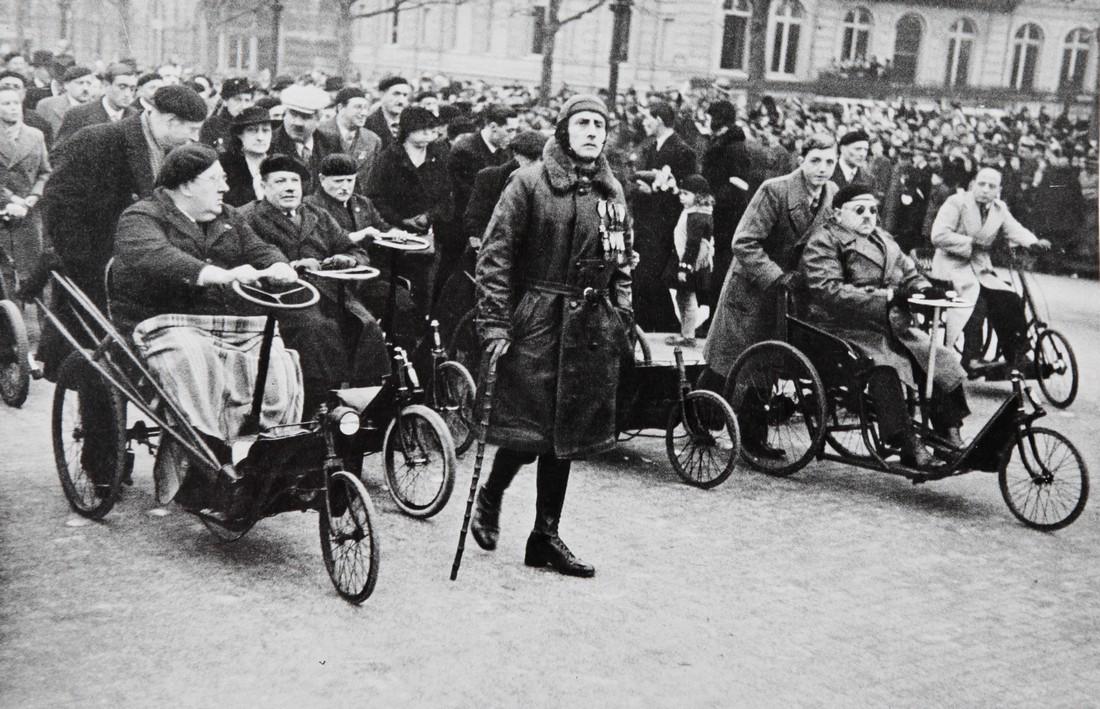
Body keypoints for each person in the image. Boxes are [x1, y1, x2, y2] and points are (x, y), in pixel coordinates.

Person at [470, 94, 633, 578]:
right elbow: (494, 258)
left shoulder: (611, 190)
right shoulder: (527, 182)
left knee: (566, 435)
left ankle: (545, 535)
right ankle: (492, 493)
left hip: (589, 327)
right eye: (582, 123)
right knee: (533, 429)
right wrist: (496, 323)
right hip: (538, 321)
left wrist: (622, 315)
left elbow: (621, 259)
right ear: (563, 130)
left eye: (599, 126)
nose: (591, 133)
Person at [111, 143, 301, 511]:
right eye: (215, 180)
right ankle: (203, 466)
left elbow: (259, 248)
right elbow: (157, 257)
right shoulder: (141, 217)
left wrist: (278, 266)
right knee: (193, 358)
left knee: (274, 354)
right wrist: (219, 275)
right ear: (185, 185)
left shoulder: (227, 216)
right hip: (159, 321)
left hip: (222, 322)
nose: (224, 188)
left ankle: (265, 455)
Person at [800, 184, 969, 465]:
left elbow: (909, 272)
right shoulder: (824, 241)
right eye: (859, 210)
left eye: (872, 210)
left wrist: (923, 289)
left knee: (939, 356)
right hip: (840, 327)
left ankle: (949, 432)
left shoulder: (883, 238)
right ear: (838, 213)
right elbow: (827, 290)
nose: (868, 216)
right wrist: (888, 296)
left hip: (887, 323)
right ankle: (905, 441)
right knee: (884, 365)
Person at [702, 133, 838, 456]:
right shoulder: (775, 190)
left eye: (829, 162)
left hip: (786, 293)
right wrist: (776, 276)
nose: (822, 169)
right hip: (752, 287)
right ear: (801, 160)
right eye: (815, 160)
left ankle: (752, 438)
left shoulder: (830, 194)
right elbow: (744, 242)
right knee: (727, 360)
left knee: (766, 363)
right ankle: (697, 417)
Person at [244, 154, 387, 407]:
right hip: (283, 301)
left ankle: (366, 406)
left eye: (294, 181)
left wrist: (347, 259)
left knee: (366, 325)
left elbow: (357, 251)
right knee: (318, 329)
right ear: (264, 186)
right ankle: (318, 405)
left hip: (331, 294)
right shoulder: (249, 218)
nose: (289, 187)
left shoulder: (317, 215)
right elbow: (250, 260)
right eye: (279, 181)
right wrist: (289, 268)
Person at [930, 166, 1048, 371]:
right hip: (952, 266)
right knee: (976, 301)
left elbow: (1015, 230)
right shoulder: (956, 203)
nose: (985, 189)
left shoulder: (999, 209)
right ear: (972, 184)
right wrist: (971, 243)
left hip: (979, 268)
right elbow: (938, 235)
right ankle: (971, 357)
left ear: (998, 190)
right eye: (981, 184)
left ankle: (1017, 353)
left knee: (1009, 298)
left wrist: (1033, 242)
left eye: (991, 186)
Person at [365, 106, 453, 319]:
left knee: (425, 291)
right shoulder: (389, 158)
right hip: (394, 234)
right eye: (421, 129)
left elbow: (447, 195)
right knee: (398, 290)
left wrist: (429, 216)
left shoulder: (439, 157)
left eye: (431, 129)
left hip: (428, 236)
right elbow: (375, 196)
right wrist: (400, 220)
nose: (427, 134)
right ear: (407, 129)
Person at [629, 99, 697, 332]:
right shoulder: (654, 146)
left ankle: (660, 324)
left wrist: (653, 192)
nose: (644, 123)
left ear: (659, 120)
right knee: (643, 273)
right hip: (647, 224)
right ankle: (647, 322)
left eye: (648, 118)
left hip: (664, 226)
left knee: (651, 275)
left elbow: (686, 190)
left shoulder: (681, 150)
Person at [701, 100, 751, 317]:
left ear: (718, 119)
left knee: (720, 269)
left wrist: (712, 199)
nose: (706, 121)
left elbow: (740, 185)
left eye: (709, 117)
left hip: (726, 218)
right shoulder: (722, 143)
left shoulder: (734, 147)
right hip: (717, 215)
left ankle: (715, 317)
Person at [0, 85, 50, 286]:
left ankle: (36, 316)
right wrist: (11, 199)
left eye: (16, 103)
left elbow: (45, 171)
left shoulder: (35, 135)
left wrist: (34, 196)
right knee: (5, 274)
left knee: (31, 271)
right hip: (4, 210)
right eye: (6, 104)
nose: (13, 108)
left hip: (28, 213)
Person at [662, 174, 713, 347]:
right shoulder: (692, 212)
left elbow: (693, 244)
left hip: (691, 263)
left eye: (686, 194)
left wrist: (684, 268)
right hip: (684, 259)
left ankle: (689, 335)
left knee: (689, 298)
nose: (681, 197)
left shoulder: (698, 217)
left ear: (698, 197)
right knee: (682, 297)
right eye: (681, 193)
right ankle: (685, 331)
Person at [268, 83, 336, 191]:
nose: (298, 123)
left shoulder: (330, 142)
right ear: (284, 114)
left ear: (318, 119)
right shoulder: (269, 143)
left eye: (306, 117)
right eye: (293, 114)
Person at [315, 87, 382, 194]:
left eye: (366, 108)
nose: (364, 113)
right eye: (358, 107)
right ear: (340, 107)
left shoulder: (372, 140)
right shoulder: (319, 134)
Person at [54, 63, 137, 146]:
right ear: (106, 85)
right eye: (122, 87)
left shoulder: (136, 117)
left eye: (132, 89)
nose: (127, 94)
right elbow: (60, 154)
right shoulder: (78, 115)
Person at [219, 105, 276, 207]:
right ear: (239, 135)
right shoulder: (226, 166)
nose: (260, 137)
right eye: (252, 130)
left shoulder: (280, 162)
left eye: (265, 130)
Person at [35, 64, 96, 137]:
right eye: (80, 83)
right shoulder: (47, 105)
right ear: (66, 85)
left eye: (89, 83)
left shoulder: (96, 108)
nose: (86, 88)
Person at [198, 77, 254, 153]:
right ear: (225, 101)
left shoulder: (255, 124)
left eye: (247, 100)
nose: (243, 106)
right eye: (237, 99)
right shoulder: (212, 125)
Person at [0, 70, 55, 145]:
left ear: (24, 92)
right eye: (5, 87)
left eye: (16, 87)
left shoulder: (38, 122)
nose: (11, 90)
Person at [364, 75, 411, 149]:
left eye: (405, 95)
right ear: (382, 94)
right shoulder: (367, 125)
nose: (401, 101)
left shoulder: (412, 124)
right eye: (396, 94)